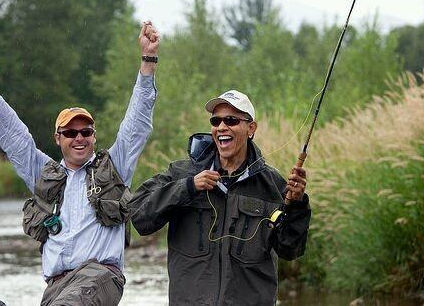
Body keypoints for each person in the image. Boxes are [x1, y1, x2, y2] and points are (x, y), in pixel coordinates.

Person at [0, 21, 160, 306]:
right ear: (58, 138)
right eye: (70, 133)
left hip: (101, 277)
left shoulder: (115, 168)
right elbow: (12, 135)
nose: (79, 138)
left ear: (94, 136)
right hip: (56, 286)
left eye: (86, 132)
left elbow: (137, 124)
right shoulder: (43, 174)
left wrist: (148, 60)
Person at [129, 90, 311, 305]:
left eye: (231, 120)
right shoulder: (182, 174)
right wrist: (188, 187)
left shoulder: (273, 185)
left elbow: (290, 250)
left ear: (251, 128)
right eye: (216, 121)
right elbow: (139, 216)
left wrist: (298, 205)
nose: (222, 127)